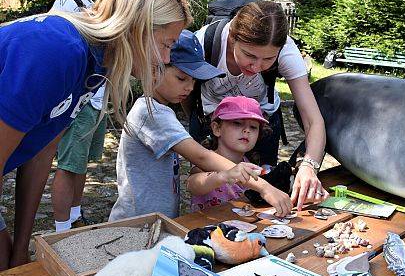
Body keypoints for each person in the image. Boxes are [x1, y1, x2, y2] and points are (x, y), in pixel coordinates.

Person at [0, 0, 191, 271]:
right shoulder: (60, 51)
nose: (165, 59)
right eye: (166, 44)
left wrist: (21, 249)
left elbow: (40, 154)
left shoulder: (95, 66)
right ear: (138, 28)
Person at [109, 31, 292, 222]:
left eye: (194, 81)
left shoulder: (160, 110)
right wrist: (265, 187)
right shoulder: (151, 112)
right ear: (154, 68)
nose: (189, 88)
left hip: (153, 219)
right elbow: (201, 156)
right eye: (181, 78)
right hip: (136, 221)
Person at [191, 1, 327, 210]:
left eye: (268, 59)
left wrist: (309, 166)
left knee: (260, 200)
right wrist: (201, 126)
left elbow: (313, 119)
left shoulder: (287, 51)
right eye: (249, 55)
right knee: (211, 193)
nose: (256, 67)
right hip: (212, 121)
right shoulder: (203, 42)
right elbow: (184, 93)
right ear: (233, 38)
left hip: (260, 124)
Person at [50, 0, 109, 232]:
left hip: (95, 98)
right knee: (68, 164)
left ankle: (74, 217)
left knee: (81, 163)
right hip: (79, 101)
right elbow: (58, 52)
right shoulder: (66, 4)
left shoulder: (89, 4)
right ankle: (62, 230)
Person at [187, 96, 271, 211]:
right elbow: (192, 185)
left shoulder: (249, 163)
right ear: (217, 129)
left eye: (253, 127)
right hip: (207, 227)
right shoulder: (204, 162)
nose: (247, 130)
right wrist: (224, 175)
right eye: (237, 123)